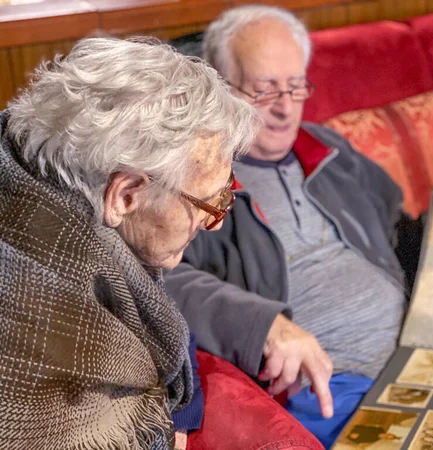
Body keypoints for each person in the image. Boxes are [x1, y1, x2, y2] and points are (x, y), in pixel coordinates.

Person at [165, 5, 433, 447]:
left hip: (424, 354)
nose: (285, 109)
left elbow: (402, 239)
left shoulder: (330, 151)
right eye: (265, 91)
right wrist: (265, 325)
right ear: (225, 90)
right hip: (331, 386)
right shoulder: (198, 177)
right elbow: (157, 277)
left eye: (296, 86)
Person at [0, 36, 257, 449]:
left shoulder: (28, 170)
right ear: (126, 196)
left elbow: (166, 324)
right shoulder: (49, 328)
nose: (213, 224)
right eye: (207, 202)